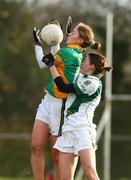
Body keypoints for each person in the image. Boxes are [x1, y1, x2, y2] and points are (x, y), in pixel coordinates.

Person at [31, 21, 101, 180]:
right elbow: (58, 59)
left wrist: (37, 44)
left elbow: (44, 64)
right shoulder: (74, 51)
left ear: (81, 40)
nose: (69, 33)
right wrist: (56, 41)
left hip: (60, 105)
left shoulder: (70, 53)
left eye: (73, 32)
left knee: (58, 155)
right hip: (47, 100)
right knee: (36, 146)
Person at [43, 51, 113, 180]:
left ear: (91, 67)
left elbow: (63, 87)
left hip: (82, 130)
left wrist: (51, 65)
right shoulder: (81, 77)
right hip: (68, 130)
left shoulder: (93, 83)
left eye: (85, 61)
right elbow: (65, 70)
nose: (82, 62)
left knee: (89, 172)